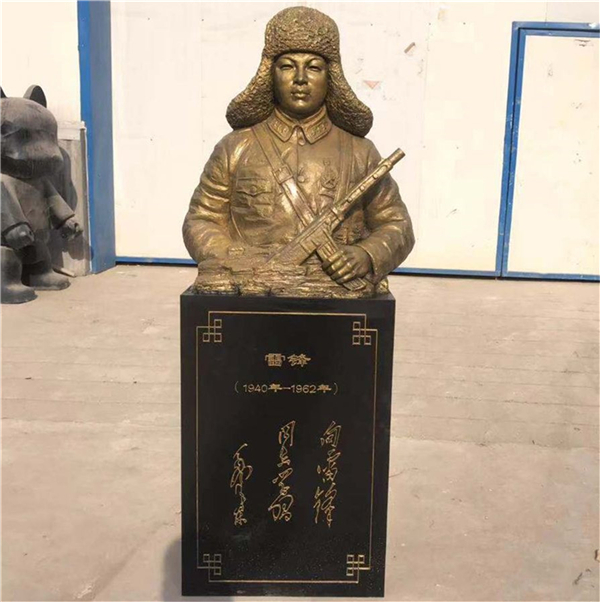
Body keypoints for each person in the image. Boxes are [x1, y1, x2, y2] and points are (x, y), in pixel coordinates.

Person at [183, 6, 414, 295]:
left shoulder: (360, 152)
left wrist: (366, 255)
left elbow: (397, 224)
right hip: (253, 291)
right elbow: (201, 220)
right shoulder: (235, 147)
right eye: (288, 66)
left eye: (314, 67)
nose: (300, 78)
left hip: (334, 291)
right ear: (270, 74)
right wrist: (236, 261)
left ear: (331, 77)